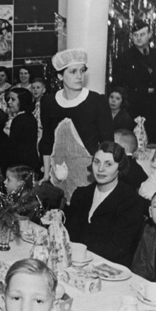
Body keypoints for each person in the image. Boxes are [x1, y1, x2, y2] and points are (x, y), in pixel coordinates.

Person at [39, 48, 113, 201]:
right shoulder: (48, 102)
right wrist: (46, 174)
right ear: (60, 76)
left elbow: (108, 144)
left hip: (89, 175)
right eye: (73, 72)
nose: (79, 76)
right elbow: (46, 140)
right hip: (58, 174)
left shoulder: (97, 101)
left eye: (82, 71)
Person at [65, 141, 144, 267]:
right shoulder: (81, 194)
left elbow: (116, 249)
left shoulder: (131, 202)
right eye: (96, 162)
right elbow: (70, 233)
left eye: (108, 164)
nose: (100, 169)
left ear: (120, 167)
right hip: (77, 262)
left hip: (110, 270)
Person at [113, 20, 156, 142]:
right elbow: (118, 84)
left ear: (149, 35)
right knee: (135, 139)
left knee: (152, 137)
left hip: (154, 104)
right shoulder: (125, 57)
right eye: (135, 35)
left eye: (142, 34)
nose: (139, 38)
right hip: (133, 105)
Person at [5, 87, 40, 171]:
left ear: (22, 101)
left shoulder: (19, 120)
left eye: (13, 99)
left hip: (21, 166)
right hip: (30, 163)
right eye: (8, 99)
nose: (9, 102)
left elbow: (13, 146)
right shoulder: (30, 117)